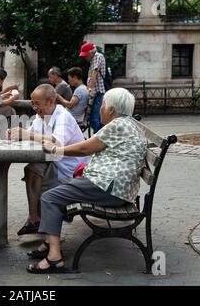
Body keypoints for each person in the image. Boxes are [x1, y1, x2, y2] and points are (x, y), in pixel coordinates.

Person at [26, 88, 147, 274]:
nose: (101, 109)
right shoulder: (127, 125)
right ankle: (49, 242)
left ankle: (54, 257)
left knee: (50, 197)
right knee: (56, 191)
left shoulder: (117, 126)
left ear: (112, 110)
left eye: (104, 105)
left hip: (107, 187)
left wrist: (56, 150)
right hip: (114, 187)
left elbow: (85, 149)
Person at [7, 84, 89, 236]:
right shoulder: (41, 116)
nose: (33, 107)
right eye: (32, 103)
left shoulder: (63, 116)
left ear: (51, 101)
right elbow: (30, 134)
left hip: (70, 171)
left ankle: (35, 220)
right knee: (32, 168)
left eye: (36, 103)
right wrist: (15, 134)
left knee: (35, 169)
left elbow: (56, 142)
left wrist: (25, 134)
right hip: (55, 163)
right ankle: (34, 218)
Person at [79, 42, 107, 133]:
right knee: (93, 119)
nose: (84, 57)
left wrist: (90, 90)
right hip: (96, 94)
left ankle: (100, 138)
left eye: (86, 55)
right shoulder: (92, 59)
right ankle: (98, 136)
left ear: (91, 52)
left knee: (95, 118)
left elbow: (94, 73)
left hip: (99, 93)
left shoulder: (98, 56)